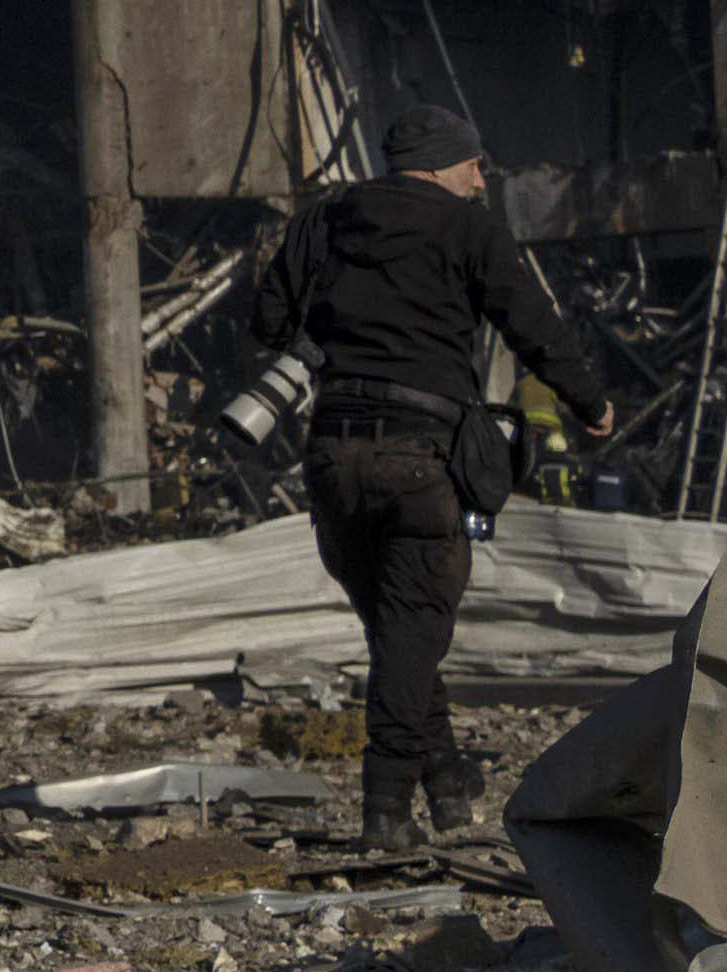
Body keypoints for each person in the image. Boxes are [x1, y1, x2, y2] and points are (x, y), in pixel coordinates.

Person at [249, 105, 612, 843]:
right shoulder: (469, 228)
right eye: (475, 166)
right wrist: (591, 403)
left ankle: (446, 787)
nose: (481, 181)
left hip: (332, 458)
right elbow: (533, 325)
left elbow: (267, 322)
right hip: (419, 461)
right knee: (410, 635)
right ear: (444, 164)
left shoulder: (326, 218)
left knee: (401, 637)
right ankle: (385, 812)